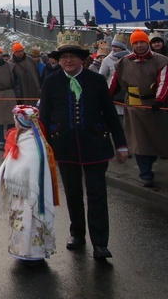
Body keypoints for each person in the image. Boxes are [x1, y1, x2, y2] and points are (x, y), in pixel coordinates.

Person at [39, 31, 128, 259]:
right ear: (59, 60)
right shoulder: (51, 81)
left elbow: (109, 114)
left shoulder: (96, 80)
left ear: (82, 59)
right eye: (64, 57)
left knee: (97, 195)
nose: (68, 60)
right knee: (73, 194)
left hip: (95, 145)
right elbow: (45, 116)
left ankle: (100, 243)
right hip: (65, 146)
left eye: (73, 56)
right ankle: (77, 234)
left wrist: (121, 145)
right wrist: (44, 146)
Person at [0, 105, 59, 265]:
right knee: (24, 224)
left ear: (21, 122)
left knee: (29, 222)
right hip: (23, 195)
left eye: (15, 121)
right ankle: (23, 251)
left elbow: (22, 168)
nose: (14, 124)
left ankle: (32, 254)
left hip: (30, 196)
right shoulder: (28, 139)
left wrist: (8, 177)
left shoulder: (31, 142)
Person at [110, 29, 168, 187]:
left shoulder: (161, 61)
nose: (140, 45)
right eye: (136, 42)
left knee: (156, 141)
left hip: (154, 107)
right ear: (132, 44)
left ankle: (150, 163)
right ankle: (145, 174)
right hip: (134, 108)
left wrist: (159, 100)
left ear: (147, 42)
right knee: (139, 142)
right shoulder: (123, 63)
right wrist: (106, 98)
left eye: (142, 42)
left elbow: (164, 82)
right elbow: (114, 84)